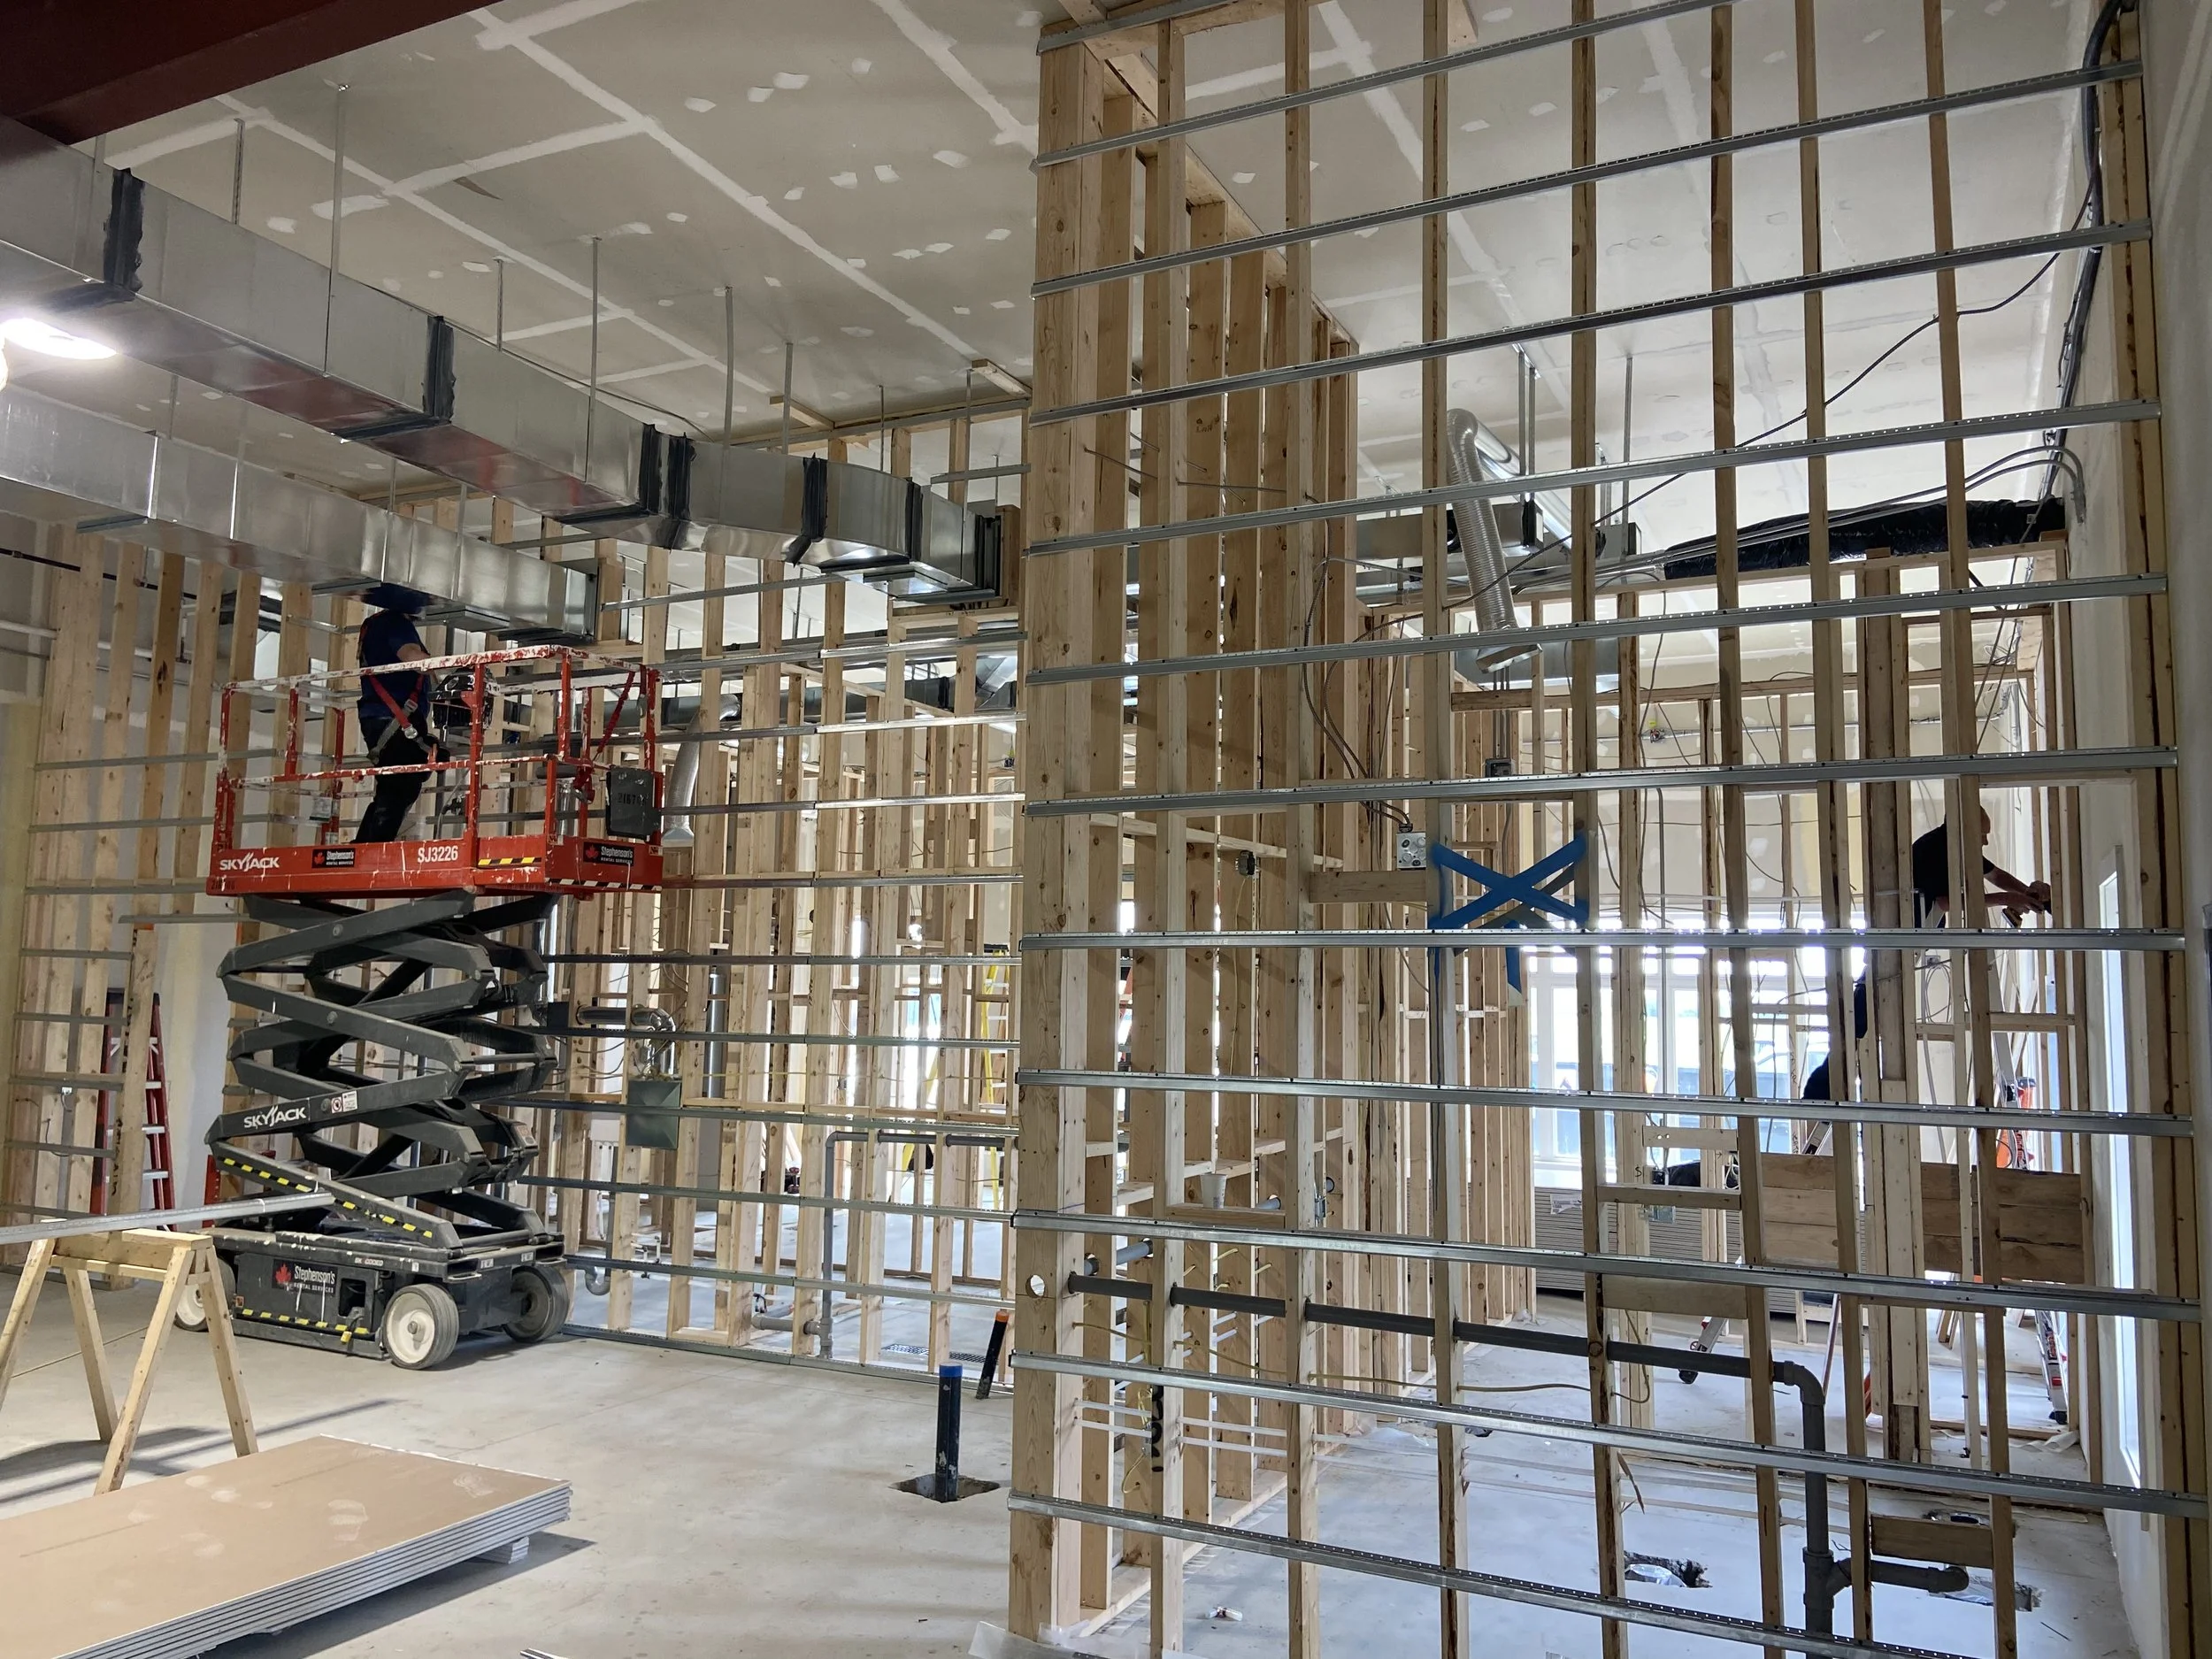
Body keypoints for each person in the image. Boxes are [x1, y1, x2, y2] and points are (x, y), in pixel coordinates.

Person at [354, 585, 435, 843]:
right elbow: (411, 657)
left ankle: (365, 845)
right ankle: (373, 847)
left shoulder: (374, 625)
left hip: (383, 717)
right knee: (402, 786)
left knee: (392, 787)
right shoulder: (396, 624)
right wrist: (441, 667)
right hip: (396, 718)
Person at [1911, 810, 2051, 926]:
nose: (1986, 842)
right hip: (1915, 933)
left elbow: (1996, 875)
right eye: (1982, 835)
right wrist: (2006, 898)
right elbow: (1945, 903)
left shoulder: (1959, 847)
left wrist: (2026, 892)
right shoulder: (1933, 850)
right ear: (1966, 831)